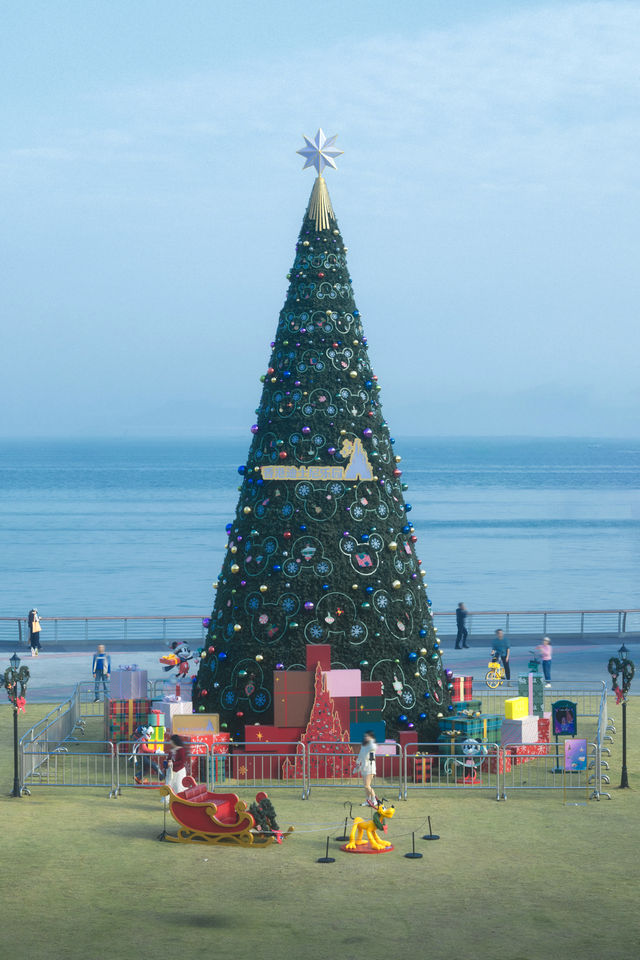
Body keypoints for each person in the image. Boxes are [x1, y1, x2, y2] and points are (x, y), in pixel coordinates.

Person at [354, 730, 379, 808]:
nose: (365, 737)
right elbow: (361, 755)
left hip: (370, 768)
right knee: (366, 786)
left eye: (367, 736)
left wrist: (371, 740)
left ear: (371, 737)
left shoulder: (372, 745)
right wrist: (358, 762)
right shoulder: (363, 746)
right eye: (365, 736)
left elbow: (374, 747)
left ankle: (374, 800)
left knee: (367, 786)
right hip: (364, 768)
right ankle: (368, 800)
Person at [164, 734, 190, 799]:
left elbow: (182, 761)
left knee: (179, 786)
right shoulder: (172, 750)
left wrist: (172, 764)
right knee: (169, 785)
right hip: (171, 771)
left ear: (174, 741)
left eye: (171, 741)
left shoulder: (181, 750)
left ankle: (180, 800)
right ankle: (168, 801)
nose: (170, 742)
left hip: (179, 771)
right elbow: (169, 758)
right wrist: (167, 762)